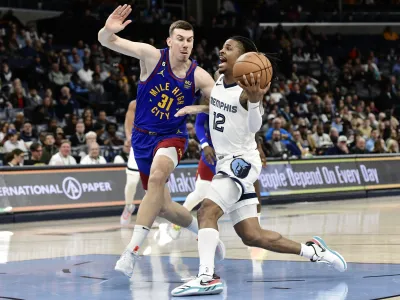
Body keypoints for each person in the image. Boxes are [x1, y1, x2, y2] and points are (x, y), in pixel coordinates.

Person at [171, 36, 347, 297]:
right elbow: (217, 106)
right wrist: (195, 108)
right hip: (228, 161)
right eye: (223, 46)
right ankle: (313, 251)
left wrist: (255, 101)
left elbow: (254, 125)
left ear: (243, 59)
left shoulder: (246, 92)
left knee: (206, 212)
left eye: (229, 48)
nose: (221, 49)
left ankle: (206, 277)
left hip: (240, 163)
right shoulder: (219, 80)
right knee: (253, 236)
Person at [98, 5, 224, 278]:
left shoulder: (199, 75)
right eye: (180, 39)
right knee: (164, 207)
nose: (185, 44)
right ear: (169, 41)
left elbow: (223, 105)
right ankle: (205, 234)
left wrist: (198, 109)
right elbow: (107, 41)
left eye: (189, 40)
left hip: (172, 138)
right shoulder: (151, 56)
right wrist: (108, 30)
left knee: (156, 180)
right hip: (142, 139)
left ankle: (131, 251)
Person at [118, 100, 141, 226]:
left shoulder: (163, 100)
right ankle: (128, 206)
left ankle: (148, 215)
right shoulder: (134, 103)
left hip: (156, 143)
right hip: (139, 144)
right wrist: (129, 137)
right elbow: (128, 122)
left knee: (152, 184)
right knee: (132, 181)